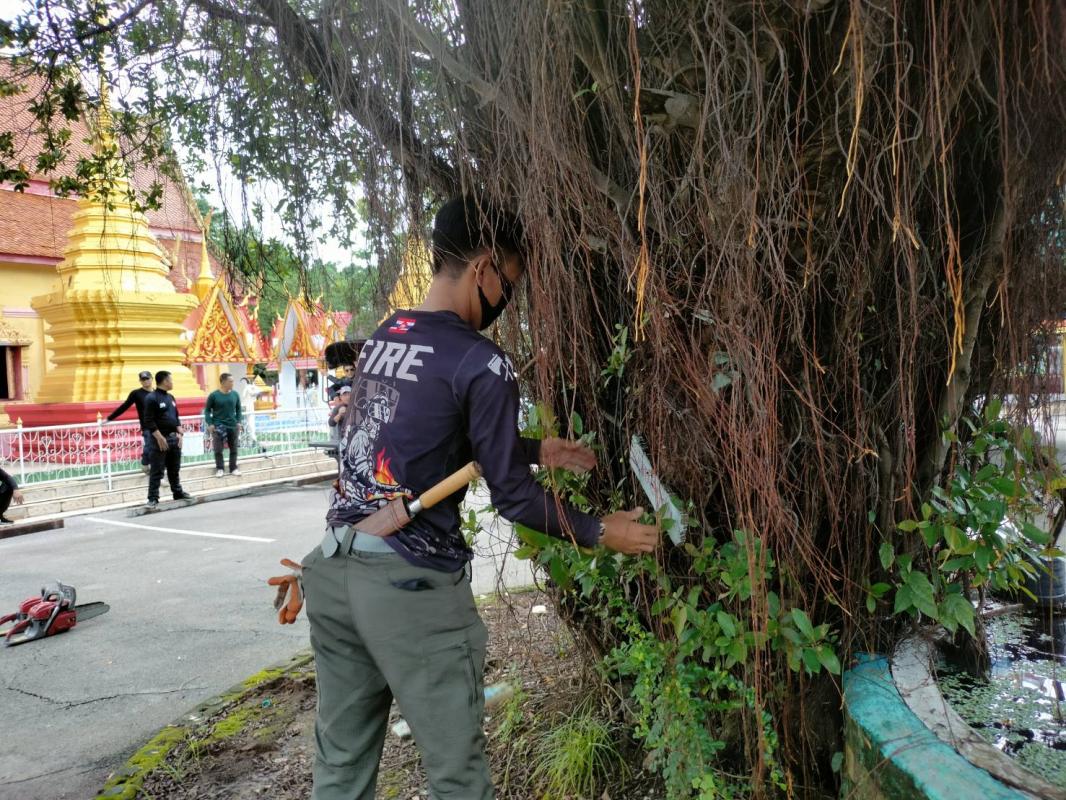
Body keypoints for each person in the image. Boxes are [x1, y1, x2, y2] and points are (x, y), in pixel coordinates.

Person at [301, 197, 660, 800]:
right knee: (457, 777)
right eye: (509, 283)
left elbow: (422, 439)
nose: (506, 299)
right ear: (485, 268)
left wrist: (532, 448)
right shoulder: (482, 360)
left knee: (340, 766)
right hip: (408, 585)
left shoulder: (388, 335)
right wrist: (603, 531)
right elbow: (515, 500)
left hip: (335, 569)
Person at [143, 371, 193, 508]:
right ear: (165, 381)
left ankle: (177, 492)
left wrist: (180, 432)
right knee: (157, 470)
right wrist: (159, 437)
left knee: (174, 469)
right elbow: (148, 420)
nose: (172, 382)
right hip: (159, 440)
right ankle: (153, 498)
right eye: (171, 380)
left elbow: (175, 417)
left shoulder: (171, 397)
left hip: (173, 439)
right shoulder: (151, 398)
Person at [106, 370, 154, 473]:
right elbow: (124, 406)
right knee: (149, 446)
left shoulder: (157, 393)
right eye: (143, 379)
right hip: (147, 426)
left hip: (161, 426)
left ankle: (159, 469)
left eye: (147, 379)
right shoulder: (136, 393)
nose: (146, 381)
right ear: (140, 381)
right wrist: (109, 418)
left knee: (162, 447)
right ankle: (145, 463)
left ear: (152, 379)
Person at [205, 373, 243, 478]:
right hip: (218, 426)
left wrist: (239, 422)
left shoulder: (235, 394)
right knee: (218, 450)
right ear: (223, 382)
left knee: (234, 449)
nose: (232, 383)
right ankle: (220, 469)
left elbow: (239, 410)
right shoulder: (214, 395)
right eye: (230, 381)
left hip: (232, 425)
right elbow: (207, 411)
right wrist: (210, 423)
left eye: (232, 381)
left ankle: (233, 468)